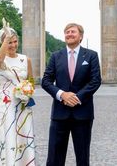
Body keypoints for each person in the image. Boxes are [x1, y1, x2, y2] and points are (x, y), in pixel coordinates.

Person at [41, 23, 102, 166]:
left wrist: (76, 97)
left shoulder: (91, 55)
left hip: (82, 113)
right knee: (54, 157)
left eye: (73, 32)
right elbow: (46, 81)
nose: (69, 34)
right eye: (67, 32)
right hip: (59, 113)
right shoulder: (56, 56)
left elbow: (95, 81)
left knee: (82, 157)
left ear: (80, 36)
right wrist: (62, 94)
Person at [0, 25, 36, 165]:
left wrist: (28, 90)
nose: (13, 45)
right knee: (7, 132)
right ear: (3, 43)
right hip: (6, 102)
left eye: (15, 41)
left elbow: (31, 80)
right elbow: (0, 62)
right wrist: (7, 36)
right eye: (9, 42)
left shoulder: (25, 59)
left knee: (23, 132)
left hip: (22, 103)